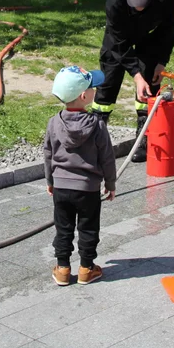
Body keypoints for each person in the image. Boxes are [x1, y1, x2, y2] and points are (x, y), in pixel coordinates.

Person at [90, 0, 174, 163]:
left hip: (151, 34)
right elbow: (118, 42)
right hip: (120, 34)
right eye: (134, 3)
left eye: (142, 3)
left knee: (149, 83)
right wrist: (135, 75)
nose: (138, 8)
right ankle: (96, 138)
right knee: (109, 79)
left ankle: (144, 138)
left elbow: (169, 29)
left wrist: (161, 61)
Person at [43, 65, 117, 286]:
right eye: (93, 87)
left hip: (62, 188)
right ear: (84, 96)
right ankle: (86, 268)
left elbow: (48, 154)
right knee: (88, 227)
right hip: (88, 189)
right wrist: (110, 183)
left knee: (63, 228)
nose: (96, 91)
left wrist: (50, 181)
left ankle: (63, 268)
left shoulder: (54, 122)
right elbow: (107, 158)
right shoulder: (97, 125)